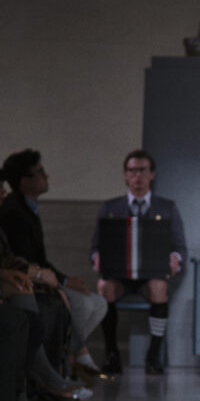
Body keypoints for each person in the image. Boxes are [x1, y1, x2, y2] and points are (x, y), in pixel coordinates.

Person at [0, 149, 107, 380]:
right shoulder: (14, 211)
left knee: (97, 303)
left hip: (31, 275)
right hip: (28, 278)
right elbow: (22, 259)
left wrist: (64, 279)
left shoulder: (27, 207)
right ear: (24, 181)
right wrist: (56, 281)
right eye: (39, 172)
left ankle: (69, 361)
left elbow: (38, 259)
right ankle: (67, 365)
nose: (46, 176)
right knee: (77, 303)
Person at [91, 149, 186, 375]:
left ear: (152, 174)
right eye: (132, 170)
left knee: (159, 286)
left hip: (150, 276)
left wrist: (175, 258)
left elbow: (179, 246)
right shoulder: (110, 208)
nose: (138, 176)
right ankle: (112, 354)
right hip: (120, 276)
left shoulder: (167, 208)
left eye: (143, 170)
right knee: (104, 286)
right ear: (125, 174)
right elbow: (95, 246)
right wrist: (97, 258)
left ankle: (153, 355)